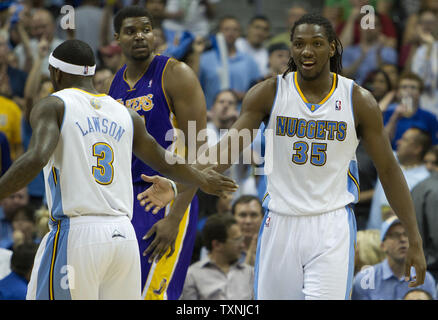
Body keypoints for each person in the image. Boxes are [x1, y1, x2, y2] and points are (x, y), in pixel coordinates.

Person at [139, 13, 428, 300]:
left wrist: (414, 238)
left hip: (331, 225)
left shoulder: (358, 100)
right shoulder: (269, 93)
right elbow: (222, 153)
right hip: (279, 223)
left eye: (316, 43)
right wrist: (176, 185)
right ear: (291, 48)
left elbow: (389, 170)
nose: (306, 51)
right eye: (299, 43)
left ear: (331, 47)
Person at [0, 39, 236, 300]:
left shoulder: (53, 104)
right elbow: (163, 159)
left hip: (77, 234)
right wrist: (201, 178)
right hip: (124, 238)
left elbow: (36, 157)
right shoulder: (125, 113)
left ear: (56, 73)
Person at [106, 6, 216, 300]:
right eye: (131, 31)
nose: (140, 36)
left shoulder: (176, 74)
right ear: (117, 37)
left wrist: (175, 218)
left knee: (157, 295)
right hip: (124, 200)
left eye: (146, 29)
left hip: (166, 199)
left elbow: (199, 153)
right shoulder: (112, 85)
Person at [352, 216, 436, 300]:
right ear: (383, 245)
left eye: (407, 234)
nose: (403, 239)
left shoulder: (425, 279)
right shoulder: (365, 279)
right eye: (395, 235)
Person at [367, 128, 431, 229]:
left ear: (417, 149)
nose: (398, 142)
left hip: (400, 240)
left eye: (405, 140)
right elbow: (376, 137)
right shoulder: (389, 158)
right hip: (371, 234)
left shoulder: (425, 178)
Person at [180, 214, 254, 300]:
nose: (242, 245)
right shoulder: (192, 276)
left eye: (242, 239)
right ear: (217, 245)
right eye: (237, 240)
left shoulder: (250, 273)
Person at [383, 72, 438, 150]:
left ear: (420, 93)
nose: (408, 90)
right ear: (398, 92)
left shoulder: (430, 117)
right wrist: (394, 117)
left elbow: (434, 145)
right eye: (404, 87)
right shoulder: (387, 114)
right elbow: (383, 142)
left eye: (413, 87)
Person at [411, 169, 438, 280]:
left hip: (416, 258)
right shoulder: (435, 190)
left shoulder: (419, 185)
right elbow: (436, 236)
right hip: (432, 264)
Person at [231, 195, 263, 266]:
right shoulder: (220, 250)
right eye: (242, 215)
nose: (248, 221)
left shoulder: (271, 249)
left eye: (254, 215)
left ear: (263, 218)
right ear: (233, 218)